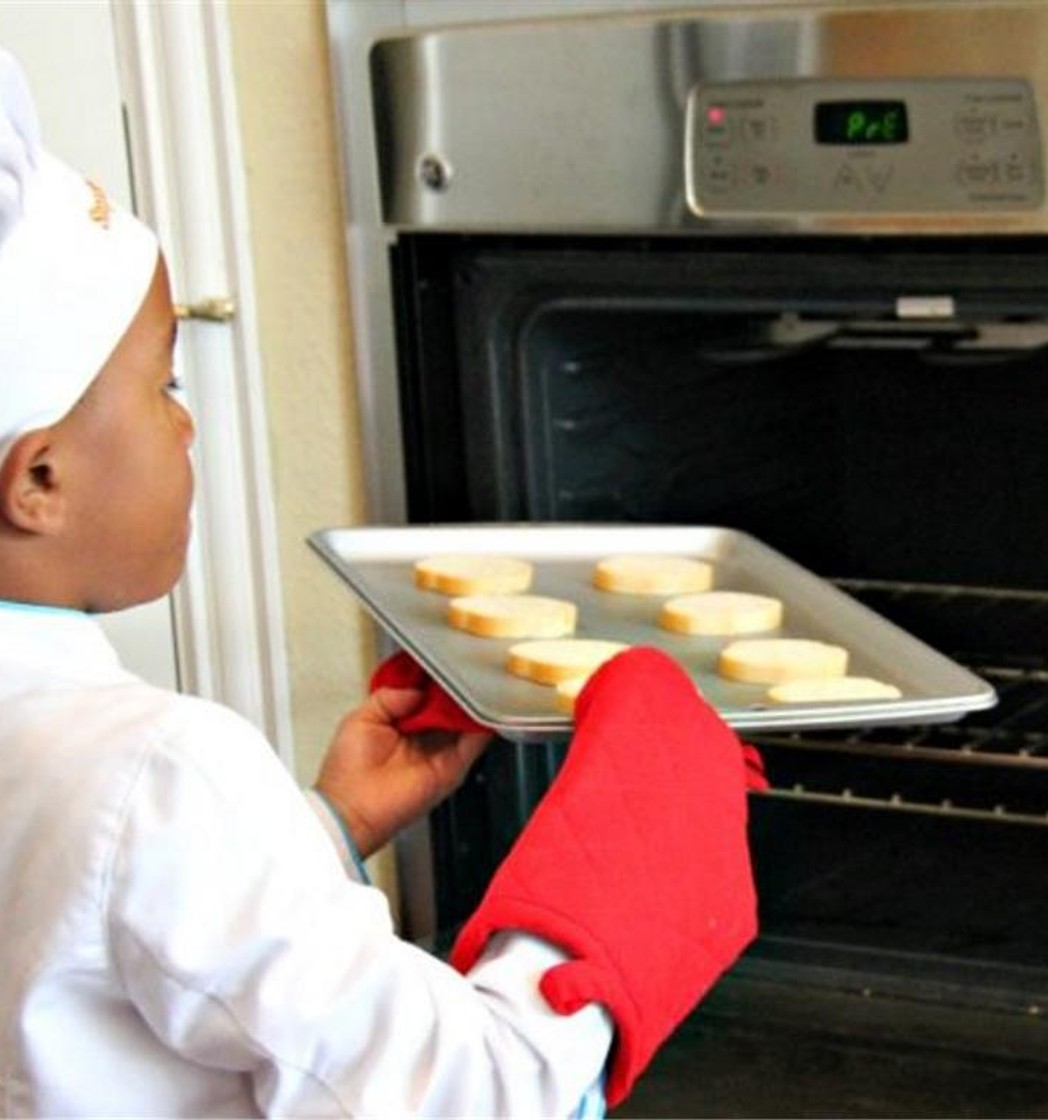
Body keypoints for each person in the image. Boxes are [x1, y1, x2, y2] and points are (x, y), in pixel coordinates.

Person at [0, 46, 760, 1117]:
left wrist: (322, 828)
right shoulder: (162, 770)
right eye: (164, 383)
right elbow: (470, 1094)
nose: (188, 420)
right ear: (39, 478)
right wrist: (637, 846)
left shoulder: (88, 764)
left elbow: (92, 942)